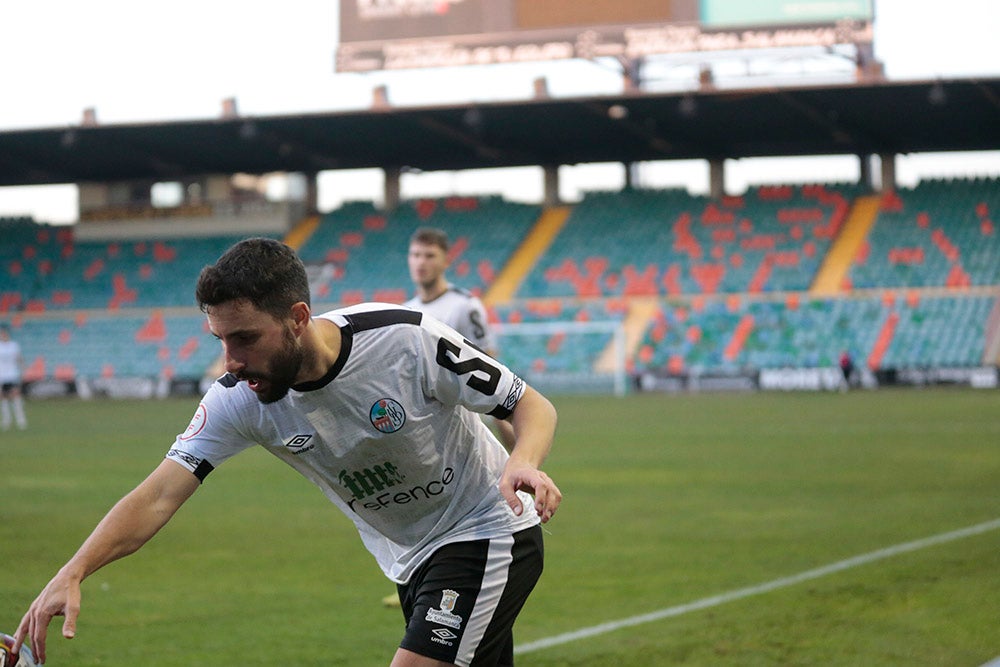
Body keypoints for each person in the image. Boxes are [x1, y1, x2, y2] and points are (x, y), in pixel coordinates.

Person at [14, 238, 561, 667]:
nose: (230, 360)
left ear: (297, 317)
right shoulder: (238, 399)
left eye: (245, 338)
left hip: (486, 528)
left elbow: (529, 404)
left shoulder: (404, 340)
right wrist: (75, 570)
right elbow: (159, 494)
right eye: (220, 341)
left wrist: (523, 461)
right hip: (407, 558)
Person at [404, 227, 516, 451]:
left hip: (465, 417)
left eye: (429, 255)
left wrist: (500, 416)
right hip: (426, 418)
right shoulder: (406, 311)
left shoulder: (465, 306)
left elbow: (489, 362)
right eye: (416, 255)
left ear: (446, 261)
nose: (421, 262)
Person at [0, 324, 27, 431]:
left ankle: (21, 419)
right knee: (3, 397)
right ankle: (7, 419)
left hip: (12, 374)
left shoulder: (14, 345)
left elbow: (19, 358)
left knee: (16, 396)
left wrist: (23, 368)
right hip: (1, 375)